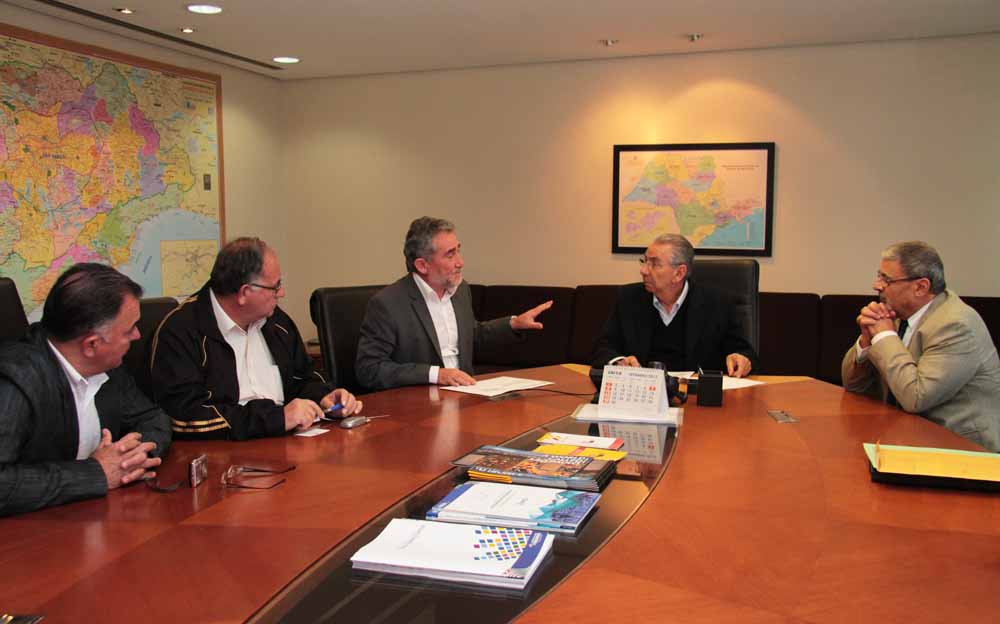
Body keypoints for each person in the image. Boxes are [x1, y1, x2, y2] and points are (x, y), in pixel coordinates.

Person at [0, 264, 170, 516]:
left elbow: (153, 419)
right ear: (91, 345)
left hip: (93, 516)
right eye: (128, 330)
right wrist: (96, 473)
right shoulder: (14, 381)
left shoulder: (107, 366)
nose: (137, 335)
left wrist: (130, 458)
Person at [151, 237, 361, 440]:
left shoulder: (276, 322)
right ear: (244, 293)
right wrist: (276, 418)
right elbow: (184, 416)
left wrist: (324, 397)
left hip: (288, 444)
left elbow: (302, 378)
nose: (281, 293)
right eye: (275, 286)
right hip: (222, 454)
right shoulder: (180, 331)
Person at [356, 216, 552, 390]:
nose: (460, 262)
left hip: (466, 395)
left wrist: (513, 324)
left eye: (458, 251)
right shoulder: (388, 304)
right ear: (422, 265)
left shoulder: (460, 290)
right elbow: (369, 369)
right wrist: (436, 375)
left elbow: (470, 334)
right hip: (420, 404)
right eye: (450, 255)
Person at [841, 241, 1000, 451]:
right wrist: (867, 342)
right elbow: (853, 386)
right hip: (907, 438)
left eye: (886, 279)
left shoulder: (956, 325)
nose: (876, 285)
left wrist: (885, 336)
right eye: (879, 276)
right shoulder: (898, 315)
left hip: (962, 451)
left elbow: (916, 398)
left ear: (920, 287)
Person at [591, 233, 758, 377]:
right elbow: (603, 347)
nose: (644, 270)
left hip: (695, 396)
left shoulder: (718, 304)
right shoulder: (628, 298)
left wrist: (742, 358)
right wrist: (618, 362)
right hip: (642, 393)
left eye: (654, 264)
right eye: (645, 261)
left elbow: (744, 352)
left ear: (679, 273)